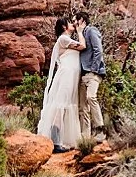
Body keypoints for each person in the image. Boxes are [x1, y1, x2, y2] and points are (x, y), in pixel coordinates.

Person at [37, 19, 85, 151]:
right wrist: (80, 32)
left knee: (67, 104)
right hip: (66, 76)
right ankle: (55, 141)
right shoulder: (63, 39)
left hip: (72, 76)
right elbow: (82, 46)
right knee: (61, 104)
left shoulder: (66, 39)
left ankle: (60, 139)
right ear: (64, 27)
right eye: (70, 23)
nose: (72, 25)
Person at [74, 12, 107, 140]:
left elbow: (98, 51)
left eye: (75, 20)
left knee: (91, 97)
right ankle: (85, 137)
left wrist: (93, 69)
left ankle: (100, 130)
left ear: (81, 20)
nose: (74, 23)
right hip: (83, 75)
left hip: (93, 73)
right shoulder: (80, 35)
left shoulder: (92, 31)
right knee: (82, 107)